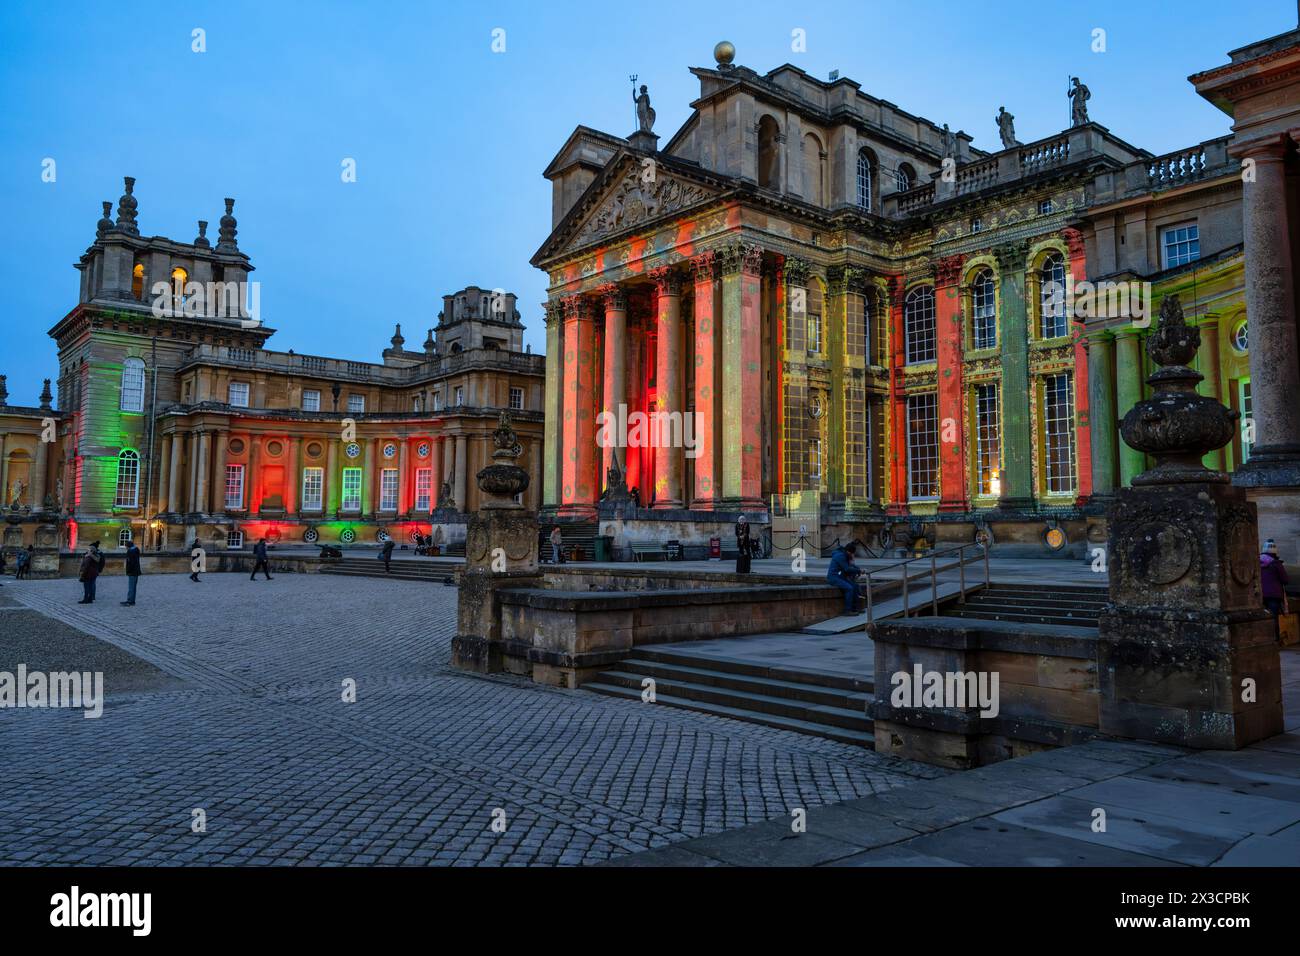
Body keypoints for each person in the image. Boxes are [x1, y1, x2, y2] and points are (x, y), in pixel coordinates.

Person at [827, 543, 863, 615]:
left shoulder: (845, 555)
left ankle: (854, 608)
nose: (853, 555)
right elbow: (847, 569)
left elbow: (851, 565)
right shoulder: (840, 556)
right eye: (852, 554)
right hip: (834, 577)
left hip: (840, 577)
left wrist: (858, 569)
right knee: (849, 588)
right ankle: (847, 610)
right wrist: (859, 571)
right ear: (849, 552)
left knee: (855, 586)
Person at [1261, 539, 1290, 629]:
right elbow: (1285, 580)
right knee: (1274, 619)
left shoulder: (1257, 562)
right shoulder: (1276, 564)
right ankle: (1275, 639)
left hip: (1260, 595)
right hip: (1274, 595)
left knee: (1262, 619)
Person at [121, 538, 142, 606]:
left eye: (126, 547)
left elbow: (130, 563)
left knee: (131, 587)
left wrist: (128, 571)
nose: (125, 548)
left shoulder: (130, 551)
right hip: (136, 571)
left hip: (132, 571)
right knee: (133, 587)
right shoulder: (136, 550)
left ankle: (130, 601)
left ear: (128, 546)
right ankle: (132, 600)